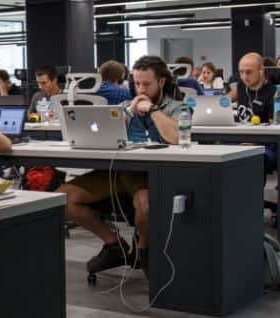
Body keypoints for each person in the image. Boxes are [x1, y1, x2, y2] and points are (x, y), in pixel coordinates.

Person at [57, 55, 190, 276]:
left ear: (162, 81)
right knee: (63, 198)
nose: (141, 89)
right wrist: (129, 111)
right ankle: (113, 244)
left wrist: (152, 109)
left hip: (151, 175)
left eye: (146, 84)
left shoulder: (178, 107)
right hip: (118, 173)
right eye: (137, 84)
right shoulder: (124, 107)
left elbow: (176, 137)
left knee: (145, 204)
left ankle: (143, 249)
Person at [228, 52, 280, 174]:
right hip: (241, 139)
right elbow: (223, 102)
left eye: (248, 72)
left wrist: (254, 141)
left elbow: (276, 129)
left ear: (261, 70)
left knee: (249, 160)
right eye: (241, 72)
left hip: (265, 145)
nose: (244, 77)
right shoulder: (242, 86)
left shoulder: (274, 93)